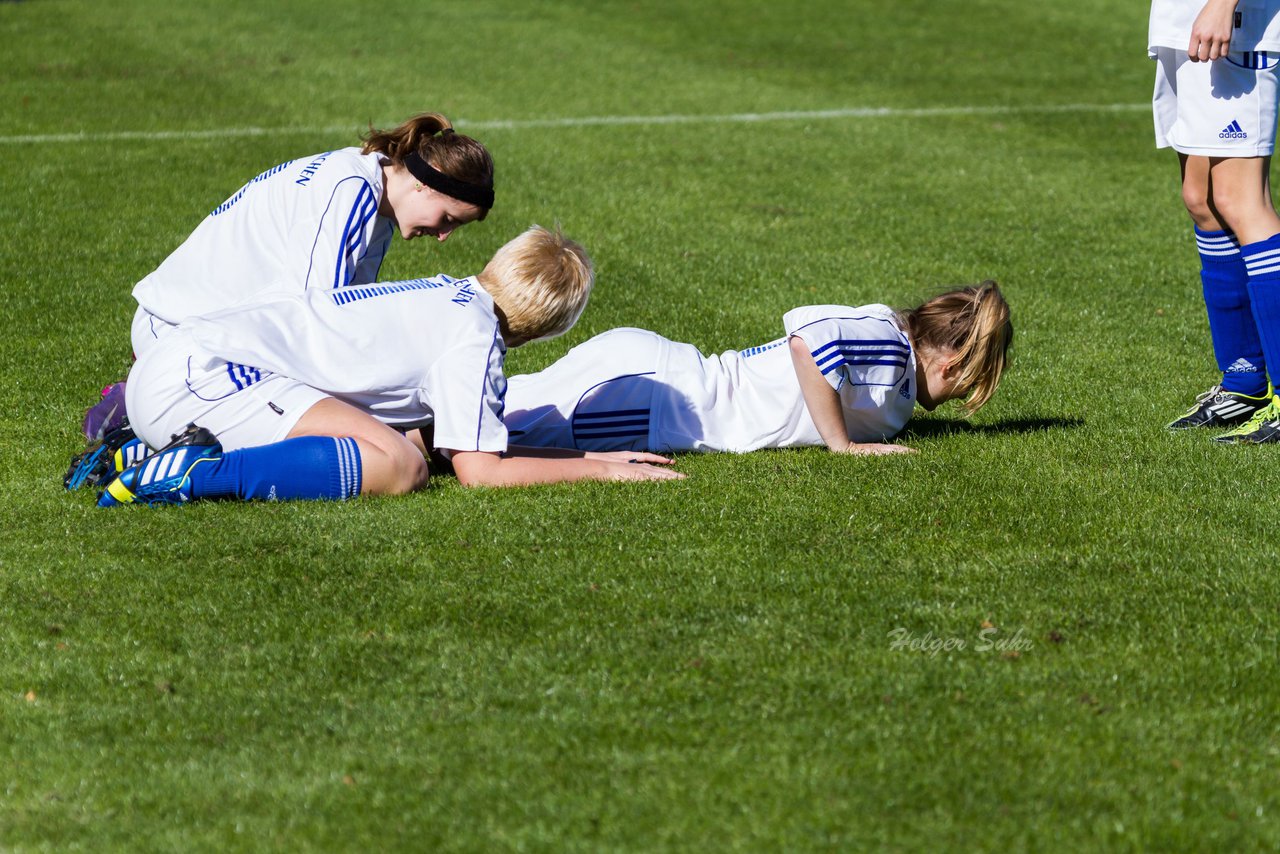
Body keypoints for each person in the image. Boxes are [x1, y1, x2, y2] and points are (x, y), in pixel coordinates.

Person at [90, 226, 681, 507]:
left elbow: (459, 446)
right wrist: (601, 472)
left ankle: (149, 450)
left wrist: (588, 455)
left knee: (405, 447)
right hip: (204, 378)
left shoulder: (450, 294)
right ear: (551, 325)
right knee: (400, 466)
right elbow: (481, 472)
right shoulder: (474, 337)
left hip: (180, 365)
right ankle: (180, 476)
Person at [81, 111, 496, 440]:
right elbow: (315, 324)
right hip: (178, 335)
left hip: (187, 325)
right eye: (448, 219)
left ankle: (144, 403)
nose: (443, 236)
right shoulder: (349, 192)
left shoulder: (367, 191)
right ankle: (132, 419)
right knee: (340, 432)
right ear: (423, 185)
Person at [502, 283, 1011, 456]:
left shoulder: (898, 379)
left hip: (657, 383)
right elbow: (809, 340)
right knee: (485, 435)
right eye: (973, 380)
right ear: (953, 361)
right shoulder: (891, 346)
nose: (963, 393)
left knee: (498, 407)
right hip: (657, 401)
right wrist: (843, 446)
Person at [1151, 0, 1280, 442]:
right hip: (1182, 23)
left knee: (1241, 200)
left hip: (1236, 24)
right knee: (1201, 199)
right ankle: (1244, 383)